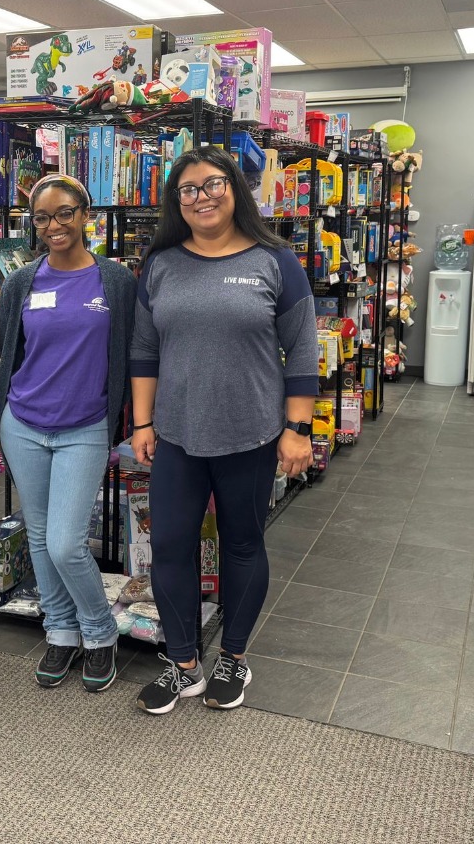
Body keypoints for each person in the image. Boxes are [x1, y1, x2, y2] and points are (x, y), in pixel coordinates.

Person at [130, 146, 318, 715]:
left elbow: (304, 347)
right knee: (167, 547)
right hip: (177, 435)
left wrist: (298, 428)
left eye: (212, 184)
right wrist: (141, 421)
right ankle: (183, 663)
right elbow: (143, 349)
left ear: (235, 188)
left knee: (241, 544)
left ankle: (233, 656)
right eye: (187, 189)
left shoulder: (275, 259)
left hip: (252, 433)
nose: (201, 197)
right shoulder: (160, 264)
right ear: (175, 202)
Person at [0, 175, 136, 692]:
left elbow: (134, 350)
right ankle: (59, 631)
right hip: (24, 423)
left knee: (64, 542)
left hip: (86, 426)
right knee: (37, 535)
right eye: (42, 218)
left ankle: (100, 632)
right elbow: (8, 348)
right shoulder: (20, 282)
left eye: (64, 213)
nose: (54, 226)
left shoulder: (116, 281)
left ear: (86, 214)